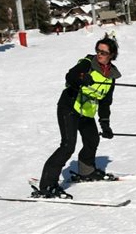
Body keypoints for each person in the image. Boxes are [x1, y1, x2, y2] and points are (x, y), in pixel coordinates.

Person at [36, 38, 121, 198]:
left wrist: (105, 124)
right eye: (98, 50)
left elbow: (105, 102)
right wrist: (82, 78)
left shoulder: (111, 76)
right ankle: (47, 185)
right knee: (68, 146)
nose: (99, 55)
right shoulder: (87, 63)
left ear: (112, 55)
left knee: (92, 140)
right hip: (69, 106)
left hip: (86, 112)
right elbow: (71, 76)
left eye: (103, 52)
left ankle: (86, 171)